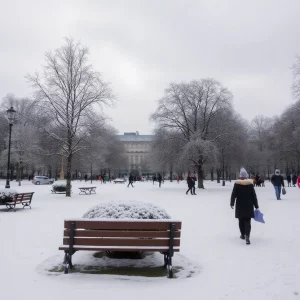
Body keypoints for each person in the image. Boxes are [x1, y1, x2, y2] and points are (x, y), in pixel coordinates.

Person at [230, 167, 259, 245]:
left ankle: (242, 234)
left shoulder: (237, 184)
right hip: (249, 205)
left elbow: (234, 194)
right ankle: (247, 236)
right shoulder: (250, 184)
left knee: (241, 220)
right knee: (247, 221)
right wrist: (256, 205)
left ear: (240, 176)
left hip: (240, 205)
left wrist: (232, 203)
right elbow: (253, 195)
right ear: (246, 176)